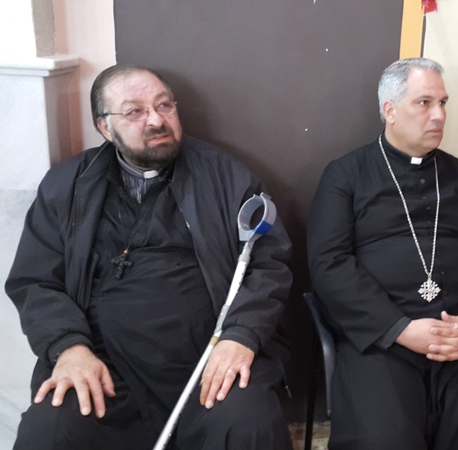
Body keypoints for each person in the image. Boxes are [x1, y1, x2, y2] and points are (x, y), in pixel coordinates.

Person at [5, 64, 294, 450]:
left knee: (248, 423)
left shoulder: (225, 176)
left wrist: (241, 336)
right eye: (135, 111)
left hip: (209, 355)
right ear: (105, 127)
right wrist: (69, 347)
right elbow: (35, 281)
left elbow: (268, 264)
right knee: (51, 430)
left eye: (164, 106)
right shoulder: (66, 185)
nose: (156, 120)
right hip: (103, 364)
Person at [307, 57, 458, 450]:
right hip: (382, 342)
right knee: (381, 442)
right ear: (390, 110)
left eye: (443, 103)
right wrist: (399, 329)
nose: (439, 115)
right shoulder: (345, 175)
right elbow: (328, 264)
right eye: (424, 103)